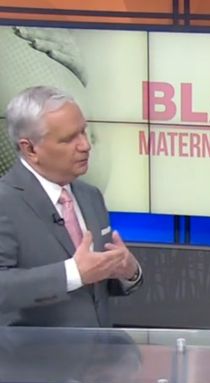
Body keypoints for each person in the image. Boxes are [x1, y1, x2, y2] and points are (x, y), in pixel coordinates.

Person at [0, 86, 142, 327]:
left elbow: (96, 287)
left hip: (98, 348)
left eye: (83, 131)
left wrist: (128, 271)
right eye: (68, 139)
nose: (85, 145)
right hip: (35, 351)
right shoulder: (5, 201)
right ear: (30, 149)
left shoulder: (90, 196)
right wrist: (73, 273)